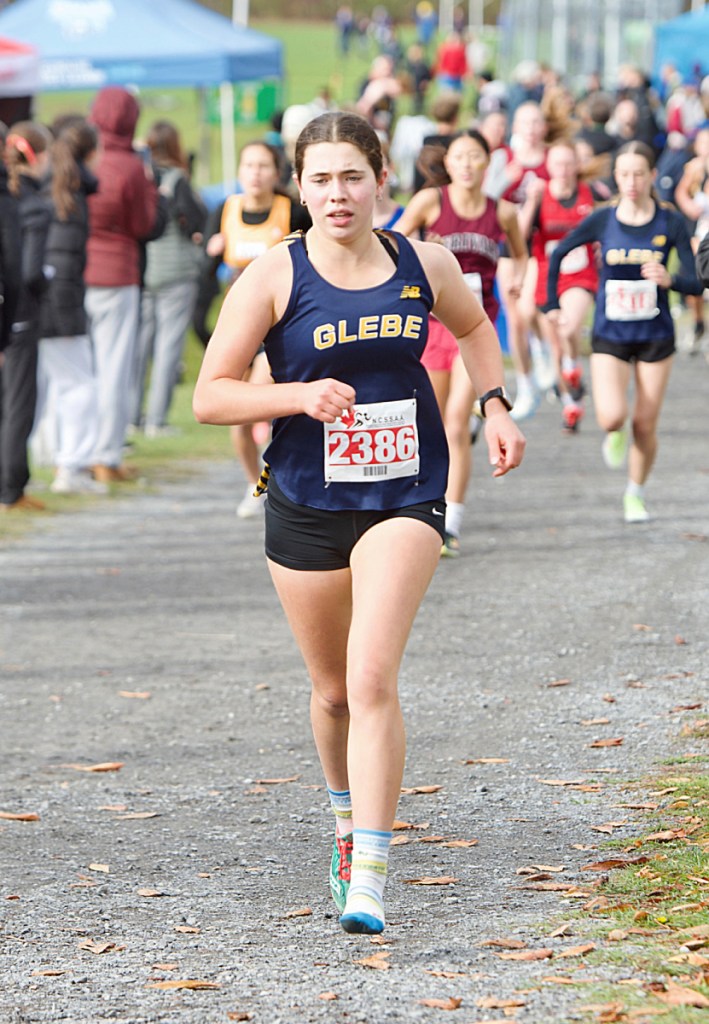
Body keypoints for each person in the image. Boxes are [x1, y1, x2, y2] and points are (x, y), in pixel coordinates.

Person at [193, 112, 525, 935]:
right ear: (300, 189)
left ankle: (370, 876)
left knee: (371, 677)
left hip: (405, 494)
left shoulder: (424, 263)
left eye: (351, 176)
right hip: (305, 501)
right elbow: (210, 395)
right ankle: (344, 827)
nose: (336, 194)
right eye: (320, 179)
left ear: (381, 177)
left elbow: (474, 326)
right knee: (334, 691)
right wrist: (295, 395)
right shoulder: (274, 275)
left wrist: (494, 404)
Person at [545, 141, 702, 524]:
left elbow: (699, 280)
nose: (631, 182)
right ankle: (613, 433)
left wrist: (671, 279)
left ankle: (635, 492)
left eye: (639, 174)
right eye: (624, 174)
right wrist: (552, 304)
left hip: (655, 335)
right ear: (616, 177)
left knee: (644, 424)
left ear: (652, 176)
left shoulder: (669, 221)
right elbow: (559, 252)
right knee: (612, 417)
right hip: (610, 334)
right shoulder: (604, 219)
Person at [396, 129, 526, 555]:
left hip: (474, 329)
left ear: (488, 162)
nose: (467, 164)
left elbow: (520, 253)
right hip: (432, 326)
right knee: (428, 420)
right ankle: (421, 503)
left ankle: (450, 521)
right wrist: (420, 254)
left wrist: (517, 280)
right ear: (447, 163)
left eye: (475, 156)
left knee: (454, 420)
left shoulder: (502, 211)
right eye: (459, 157)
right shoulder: (430, 202)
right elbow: (393, 244)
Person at [205, 140, 310, 519]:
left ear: (276, 172)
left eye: (263, 165)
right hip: (237, 326)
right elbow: (206, 273)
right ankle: (254, 484)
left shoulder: (292, 212)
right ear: (239, 171)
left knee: (257, 403)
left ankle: (284, 479)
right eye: (249, 165)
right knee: (238, 419)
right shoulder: (225, 210)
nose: (255, 173)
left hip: (279, 328)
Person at [85, 86, 159, 484]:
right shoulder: (130, 166)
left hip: (78, 272)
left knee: (77, 368)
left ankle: (72, 450)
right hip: (118, 272)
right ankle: (107, 454)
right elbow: (143, 223)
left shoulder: (84, 157)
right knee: (114, 367)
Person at [35, 116, 106, 495]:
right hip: (60, 299)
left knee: (55, 384)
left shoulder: (50, 188)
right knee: (80, 385)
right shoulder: (72, 193)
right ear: (90, 152)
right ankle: (71, 465)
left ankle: (57, 459)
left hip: (45, 297)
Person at [130, 121, 206, 437]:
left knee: (139, 348)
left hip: (146, 270)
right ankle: (156, 421)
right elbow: (197, 222)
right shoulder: (177, 180)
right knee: (167, 349)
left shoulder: (141, 177)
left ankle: (132, 417)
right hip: (177, 272)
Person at [519, 140, 598, 433]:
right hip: (547, 272)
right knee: (554, 343)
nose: (563, 170)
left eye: (568, 163)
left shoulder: (590, 194)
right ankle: (570, 404)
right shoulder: (540, 195)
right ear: (548, 166)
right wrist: (531, 202)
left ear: (577, 165)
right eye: (557, 164)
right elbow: (519, 236)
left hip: (580, 272)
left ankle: (572, 365)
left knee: (567, 328)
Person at [0, 122, 52, 512]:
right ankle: (12, 489)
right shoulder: (28, 204)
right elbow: (26, 271)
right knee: (18, 402)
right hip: (17, 316)